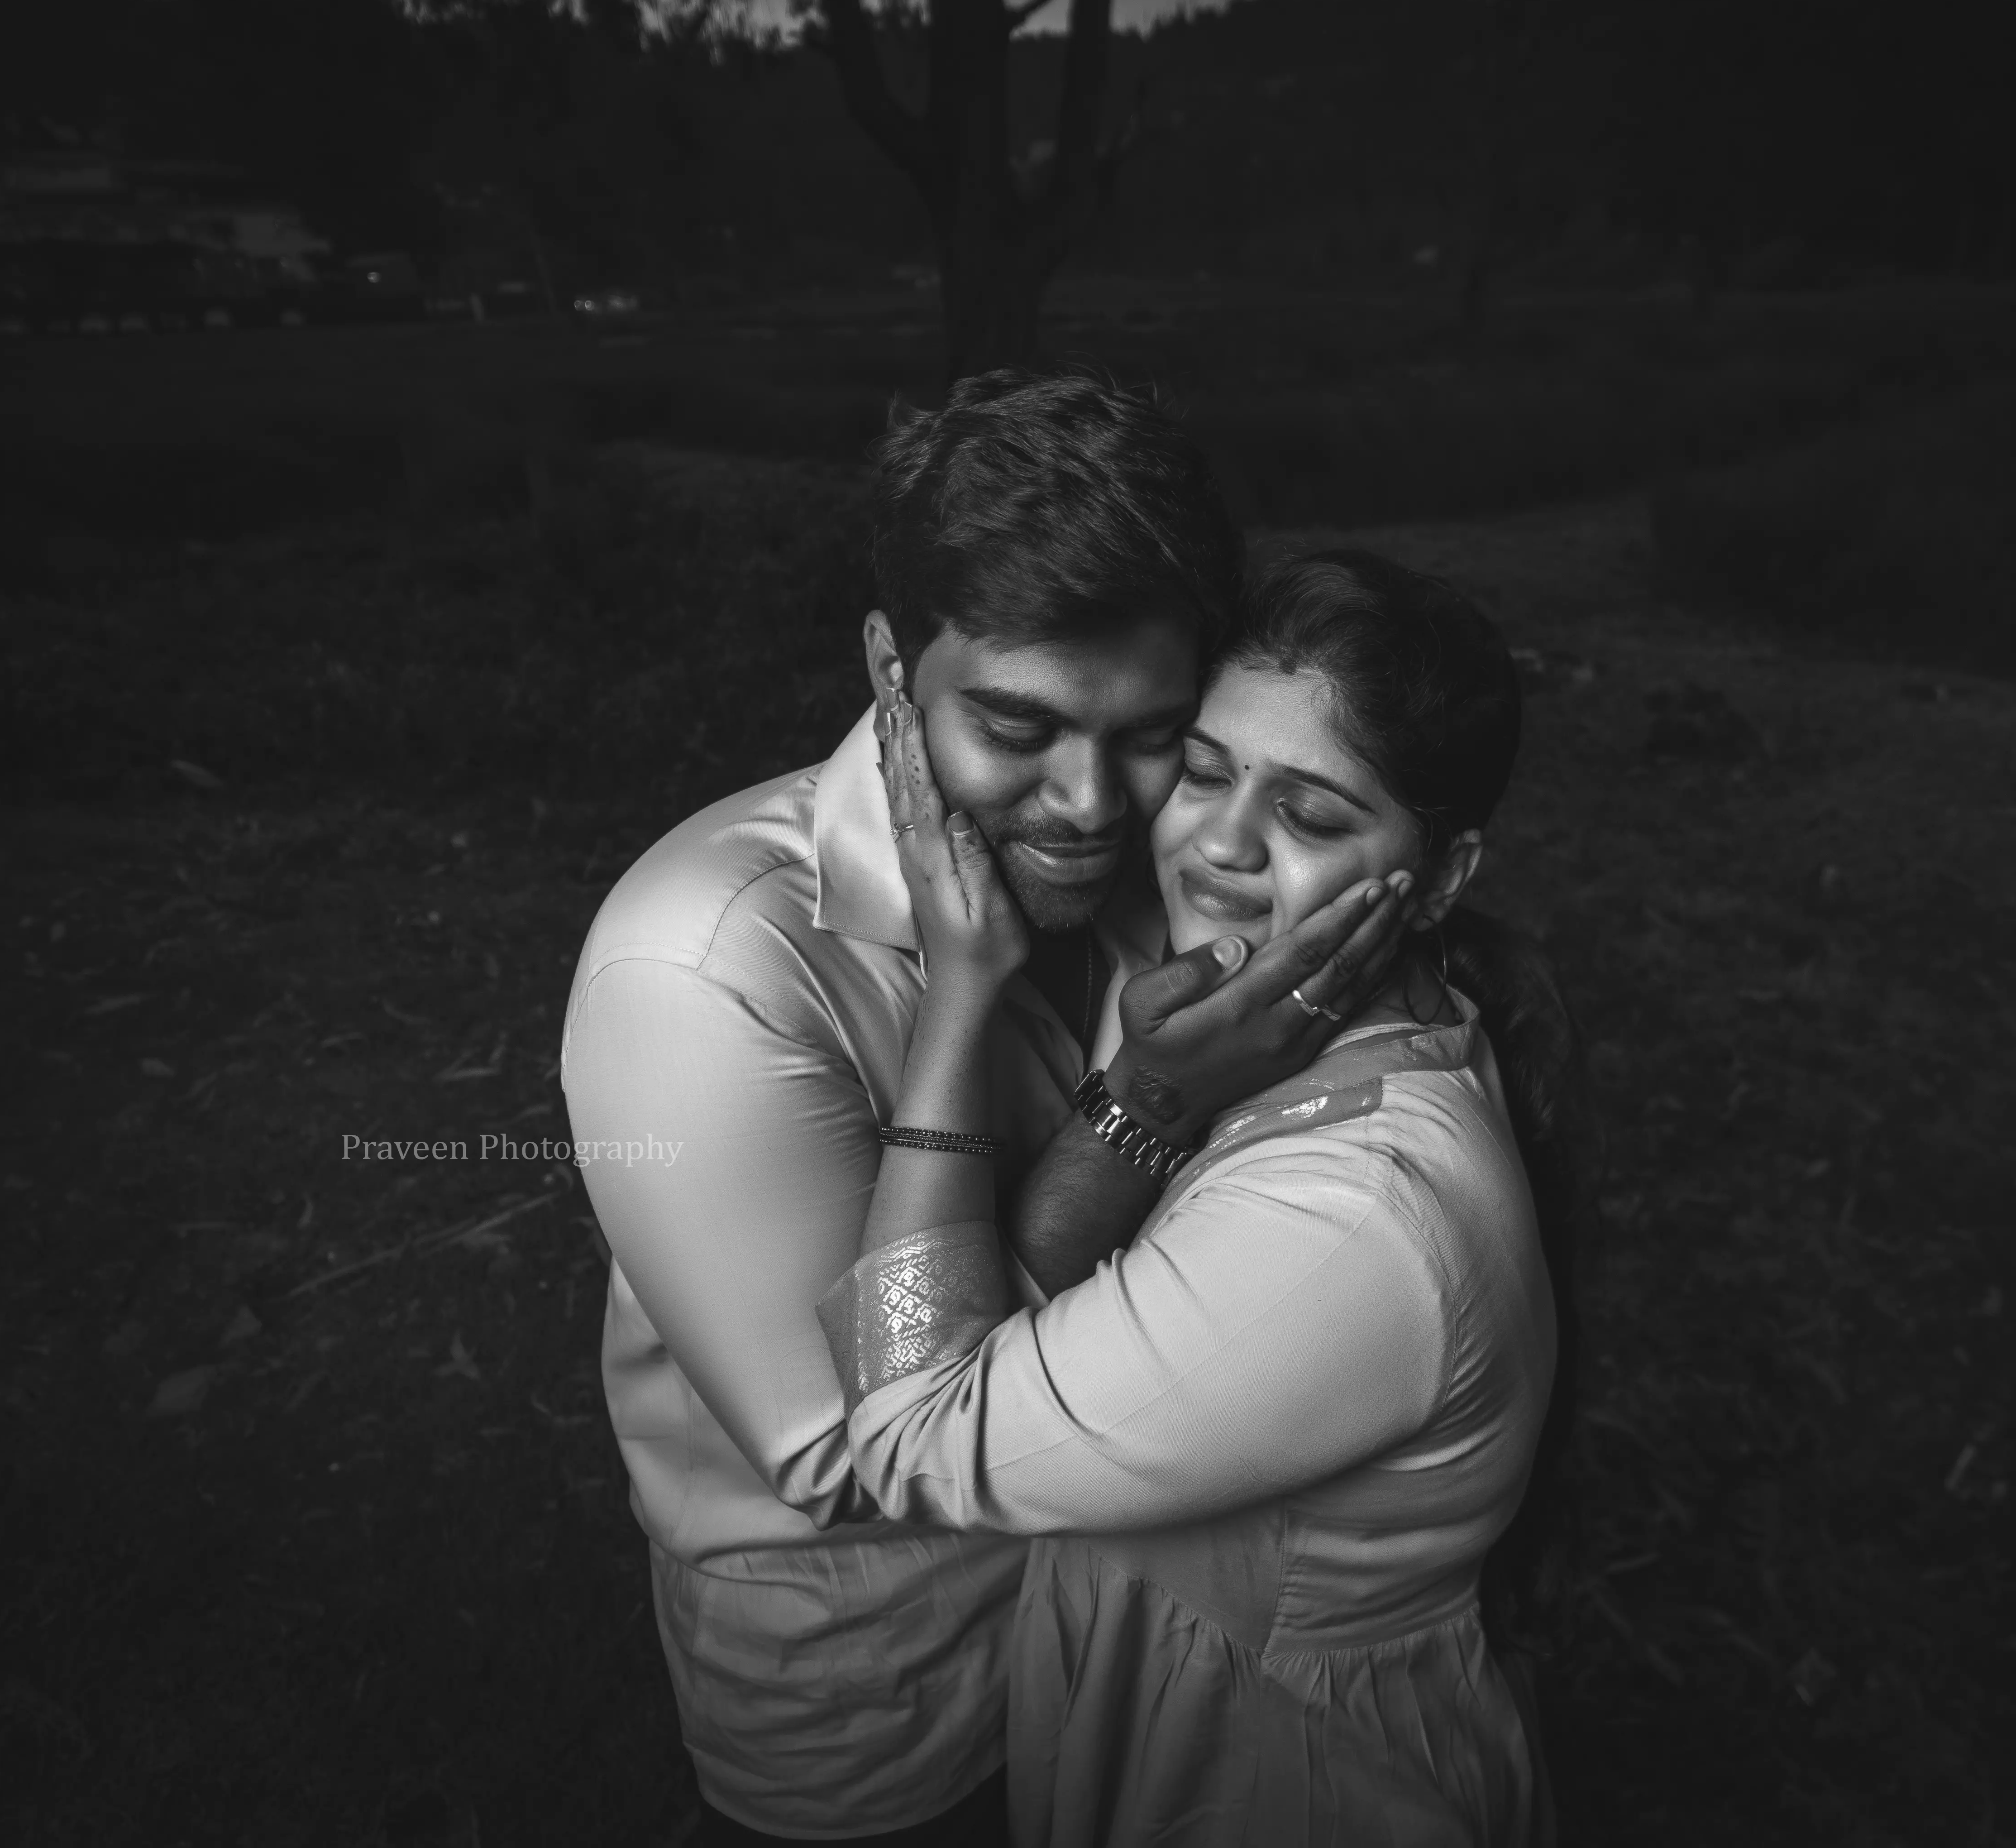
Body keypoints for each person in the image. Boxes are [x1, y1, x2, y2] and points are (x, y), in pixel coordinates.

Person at [559, 373, 1413, 1842]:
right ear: (892, 666)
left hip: (1129, 1632)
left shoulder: (1175, 854)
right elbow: (850, 1453)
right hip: (876, 1685)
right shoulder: (701, 964)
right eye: (1016, 727)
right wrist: (1143, 1108)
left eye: (1150, 733)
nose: (1088, 805)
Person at [823, 549, 1592, 1846]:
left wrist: (959, 994)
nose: (1220, 846)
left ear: (1443, 876)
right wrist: (1152, 1090)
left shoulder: (1354, 1223)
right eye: (1203, 770)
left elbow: (908, 1438)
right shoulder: (1267, 1038)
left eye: (1314, 817)